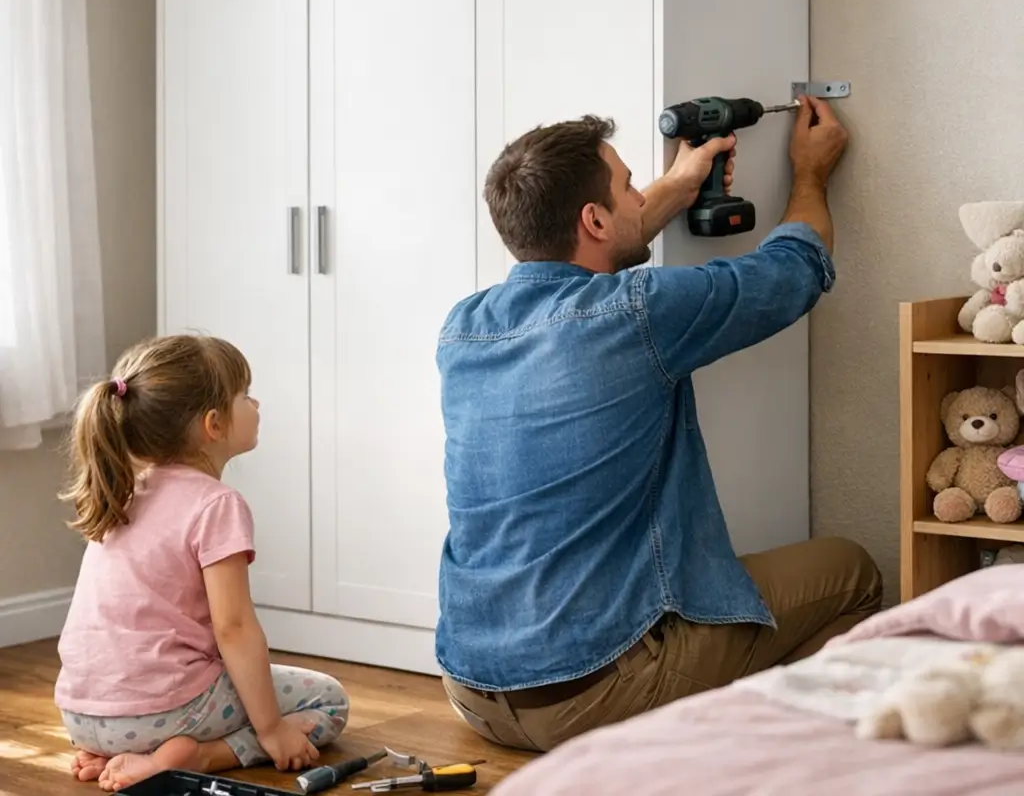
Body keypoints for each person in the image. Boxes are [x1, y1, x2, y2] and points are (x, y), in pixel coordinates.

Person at [434, 95, 883, 753]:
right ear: (592, 218)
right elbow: (793, 270)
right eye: (626, 185)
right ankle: (742, 753)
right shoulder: (636, 313)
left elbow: (590, 261)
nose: (638, 191)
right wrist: (810, 174)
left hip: (472, 689)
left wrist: (676, 186)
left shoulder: (464, 327)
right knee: (852, 572)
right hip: (588, 697)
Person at [54, 335, 349, 792]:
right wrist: (271, 731)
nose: (256, 403)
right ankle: (197, 756)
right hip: (158, 713)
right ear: (214, 424)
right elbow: (233, 629)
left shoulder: (123, 490)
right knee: (329, 700)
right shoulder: (216, 504)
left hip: (81, 714)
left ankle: (123, 752)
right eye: (245, 394)